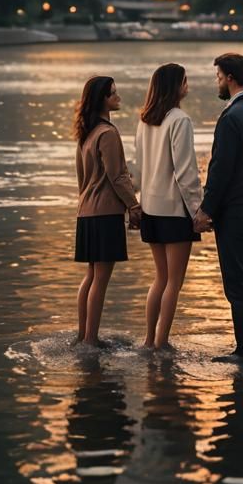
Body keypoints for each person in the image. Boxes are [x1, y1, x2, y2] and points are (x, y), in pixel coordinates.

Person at [193, 53, 243, 364]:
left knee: (236, 282)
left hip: (236, 212)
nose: (217, 82)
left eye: (218, 77)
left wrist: (205, 210)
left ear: (229, 78)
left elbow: (220, 170)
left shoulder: (231, 118)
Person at [133, 62, 204, 350]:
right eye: (185, 80)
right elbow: (186, 171)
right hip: (175, 211)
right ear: (175, 86)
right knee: (174, 281)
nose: (188, 85)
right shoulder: (180, 120)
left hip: (150, 207)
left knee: (159, 278)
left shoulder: (144, 121)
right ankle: (161, 343)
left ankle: (149, 339)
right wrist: (197, 209)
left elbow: (137, 170)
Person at [74, 75, 141, 346]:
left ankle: (82, 335)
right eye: (113, 93)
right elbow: (118, 176)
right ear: (102, 99)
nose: (118, 97)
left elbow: (81, 178)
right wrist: (134, 205)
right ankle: (91, 339)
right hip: (105, 214)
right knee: (100, 279)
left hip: (86, 212)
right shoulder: (108, 133)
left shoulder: (86, 134)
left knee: (90, 276)